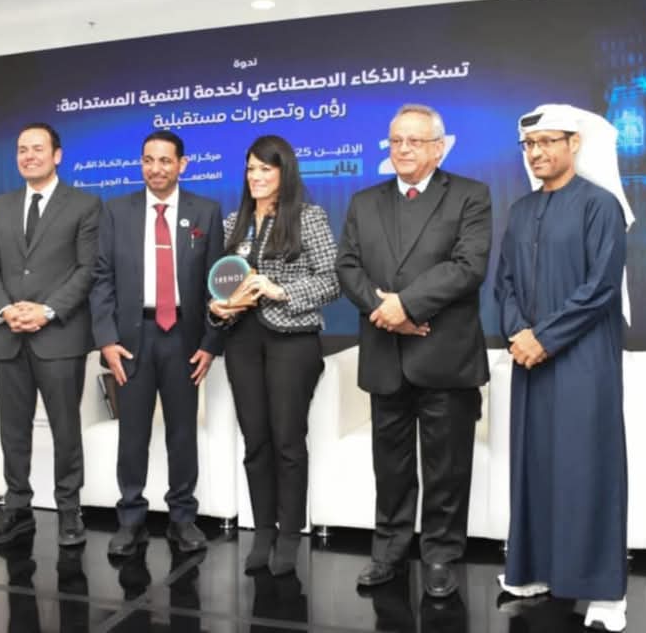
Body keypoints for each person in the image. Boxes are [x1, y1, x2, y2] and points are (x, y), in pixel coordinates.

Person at [336, 103, 492, 598]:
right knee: (391, 466)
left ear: (439, 148)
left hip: (445, 356)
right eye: (396, 140)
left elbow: (468, 267)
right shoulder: (364, 201)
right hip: (385, 354)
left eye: (415, 141)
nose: (402, 149)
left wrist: (405, 305)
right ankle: (389, 553)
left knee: (447, 467)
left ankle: (441, 556)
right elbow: (347, 267)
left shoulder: (470, 195)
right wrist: (384, 311)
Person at [493, 103, 631, 633]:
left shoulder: (600, 205)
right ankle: (533, 571)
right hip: (530, 357)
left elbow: (601, 288)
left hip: (583, 358)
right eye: (529, 144)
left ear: (574, 144)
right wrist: (517, 333)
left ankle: (605, 593)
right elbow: (504, 283)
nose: (536, 152)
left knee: (587, 468)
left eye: (548, 141)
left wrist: (543, 338)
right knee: (535, 463)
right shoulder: (521, 210)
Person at [208, 134, 340, 576]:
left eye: (265, 168)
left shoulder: (308, 217)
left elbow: (332, 281)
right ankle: (263, 531)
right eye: (251, 169)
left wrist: (280, 290)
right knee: (256, 441)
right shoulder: (234, 222)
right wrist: (218, 307)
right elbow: (219, 284)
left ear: (285, 171)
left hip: (292, 340)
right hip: (242, 340)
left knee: (287, 440)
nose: (256, 176)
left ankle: (289, 535)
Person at [89, 130, 224, 558]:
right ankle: (131, 519)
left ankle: (183, 518)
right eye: (148, 160)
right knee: (133, 433)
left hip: (184, 336)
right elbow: (101, 279)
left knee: (182, 433)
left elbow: (217, 284)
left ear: (182, 164)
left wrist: (210, 342)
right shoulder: (117, 211)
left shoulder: (206, 211)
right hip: (133, 338)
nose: (156, 168)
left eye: (165, 160)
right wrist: (106, 340)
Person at [0, 122, 101, 547]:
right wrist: (6, 309)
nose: (28, 156)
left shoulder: (85, 205)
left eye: (37, 148)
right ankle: (16, 508)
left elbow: (87, 269)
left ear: (57, 155)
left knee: (66, 428)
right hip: (9, 335)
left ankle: (69, 510)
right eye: (21, 149)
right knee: (13, 429)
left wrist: (47, 311)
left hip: (60, 336)